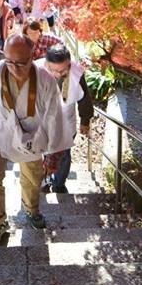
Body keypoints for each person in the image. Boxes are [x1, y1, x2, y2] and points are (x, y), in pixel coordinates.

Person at [0, 33, 65, 245]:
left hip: (33, 135)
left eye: (21, 63)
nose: (15, 68)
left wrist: (54, 152)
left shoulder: (45, 80)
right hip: (0, 133)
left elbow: (54, 117)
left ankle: (31, 210)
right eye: (9, 61)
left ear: (32, 56)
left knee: (32, 179)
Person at [35, 45, 94, 193]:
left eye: (63, 70)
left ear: (69, 63)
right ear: (46, 63)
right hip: (41, 121)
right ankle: (43, 182)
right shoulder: (35, 70)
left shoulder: (76, 72)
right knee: (40, 152)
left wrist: (85, 120)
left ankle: (59, 183)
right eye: (54, 70)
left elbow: (84, 97)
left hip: (66, 121)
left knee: (64, 155)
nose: (58, 74)